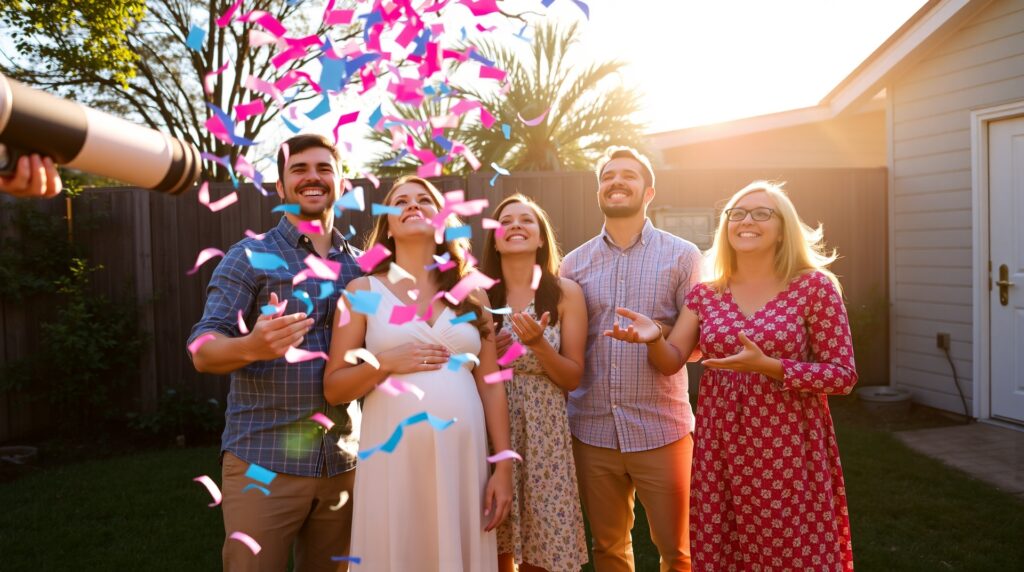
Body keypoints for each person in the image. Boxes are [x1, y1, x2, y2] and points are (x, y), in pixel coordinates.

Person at [607, 180, 857, 571]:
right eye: (736, 214)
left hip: (787, 446)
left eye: (761, 213)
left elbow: (842, 375)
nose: (746, 221)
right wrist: (655, 337)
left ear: (782, 228)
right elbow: (673, 360)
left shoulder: (814, 288)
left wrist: (770, 367)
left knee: (788, 548)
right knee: (726, 548)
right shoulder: (706, 294)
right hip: (721, 446)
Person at [188, 134, 362, 572]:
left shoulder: (362, 267)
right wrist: (252, 345)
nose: (312, 177)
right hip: (263, 466)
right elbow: (203, 350)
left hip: (343, 461)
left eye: (324, 168)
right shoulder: (249, 256)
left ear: (342, 182)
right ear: (281, 188)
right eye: (298, 169)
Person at [323, 175, 513, 572]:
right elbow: (334, 387)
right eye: (400, 201)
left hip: (463, 462)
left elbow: (492, 387)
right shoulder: (361, 290)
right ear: (388, 227)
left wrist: (504, 467)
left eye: (424, 199)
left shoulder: (472, 292)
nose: (412, 204)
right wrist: (386, 363)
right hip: (394, 460)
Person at [559, 146, 702, 572]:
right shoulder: (574, 264)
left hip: (662, 429)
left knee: (679, 553)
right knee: (607, 549)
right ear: (598, 190)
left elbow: (685, 349)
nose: (616, 182)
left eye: (628, 175)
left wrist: (656, 334)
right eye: (607, 176)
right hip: (592, 429)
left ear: (649, 191)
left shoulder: (683, 256)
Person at [480, 194, 590, 572]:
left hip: (544, 430)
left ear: (541, 239)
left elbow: (572, 378)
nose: (515, 226)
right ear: (494, 240)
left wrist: (538, 345)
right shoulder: (478, 295)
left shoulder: (564, 294)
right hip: (488, 424)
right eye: (505, 221)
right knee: (492, 539)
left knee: (545, 542)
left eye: (526, 220)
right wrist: (485, 353)